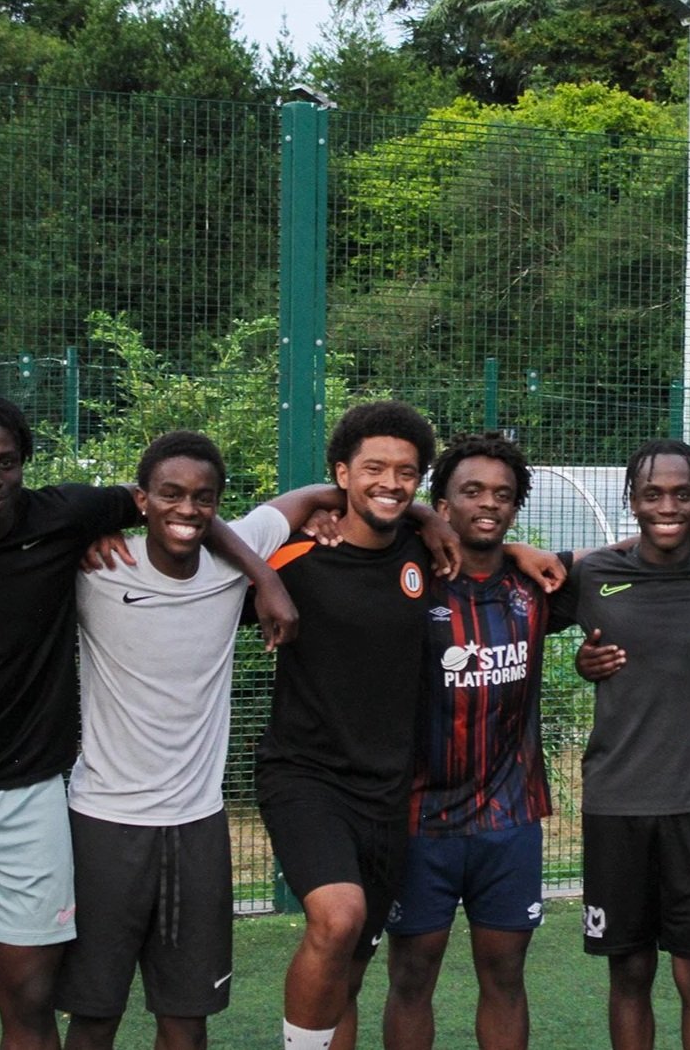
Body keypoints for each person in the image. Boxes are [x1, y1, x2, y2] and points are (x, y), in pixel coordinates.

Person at [0, 397, 292, 1050]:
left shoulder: (61, 517)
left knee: (31, 1005)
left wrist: (264, 578)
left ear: (25, 463)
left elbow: (176, 504)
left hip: (33, 803)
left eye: (6, 461)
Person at [56, 431, 357, 1050]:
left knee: (187, 1020)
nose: (187, 510)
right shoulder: (99, 567)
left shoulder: (235, 554)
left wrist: (426, 514)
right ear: (141, 500)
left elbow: (318, 495)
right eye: (170, 494)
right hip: (103, 824)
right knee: (93, 1017)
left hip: (198, 826)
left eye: (203, 497)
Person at [255, 400, 442, 1050]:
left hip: (386, 788)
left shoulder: (426, 552)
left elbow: (490, 545)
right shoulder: (293, 555)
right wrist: (312, 498)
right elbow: (224, 539)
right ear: (341, 472)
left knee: (350, 971)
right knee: (338, 919)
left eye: (406, 471)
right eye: (373, 468)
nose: (390, 482)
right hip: (305, 775)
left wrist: (428, 515)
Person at [551, 438, 690, 1050]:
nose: (668, 506)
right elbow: (499, 570)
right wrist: (584, 663)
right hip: (616, 805)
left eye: (682, 495)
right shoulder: (593, 574)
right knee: (629, 970)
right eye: (653, 493)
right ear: (631, 500)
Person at [380, 433, 563, 1050]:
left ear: (516, 508)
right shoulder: (405, 578)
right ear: (443, 503)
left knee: (506, 977)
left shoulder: (539, 585)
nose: (489, 503)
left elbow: (631, 561)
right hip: (417, 820)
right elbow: (360, 505)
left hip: (508, 819)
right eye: (472, 491)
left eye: (503, 495)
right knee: (410, 977)